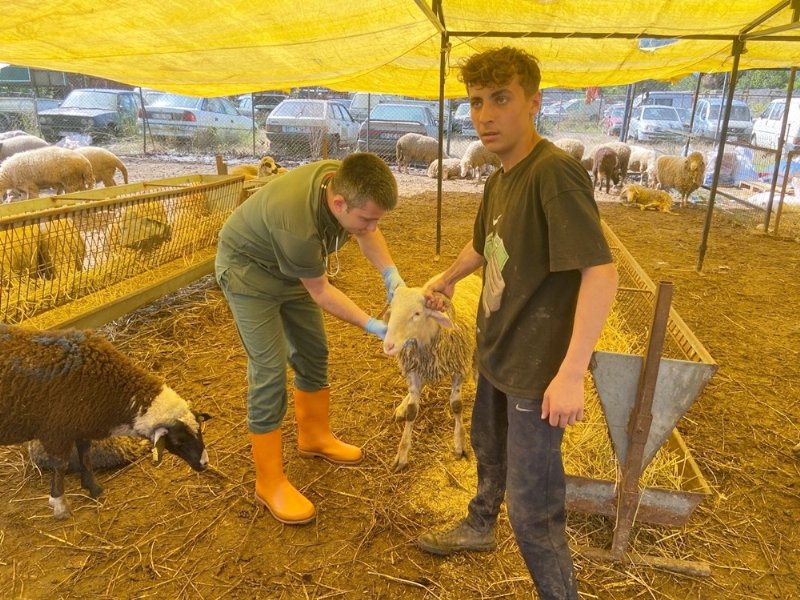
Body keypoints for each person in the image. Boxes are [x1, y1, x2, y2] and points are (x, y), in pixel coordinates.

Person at [416, 47, 619, 599]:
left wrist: (572, 371)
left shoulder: (554, 175)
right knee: (488, 447)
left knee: (534, 513)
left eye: (500, 99)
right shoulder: (499, 176)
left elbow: (601, 274)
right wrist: (448, 278)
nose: (485, 115)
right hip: (500, 350)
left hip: (538, 370)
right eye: (477, 102)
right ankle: (481, 525)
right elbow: (487, 243)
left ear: (534, 102)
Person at [215, 153, 405, 525]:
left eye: (376, 217)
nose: (371, 225)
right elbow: (321, 292)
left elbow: (366, 231)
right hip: (248, 273)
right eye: (367, 217)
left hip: (290, 272)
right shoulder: (297, 227)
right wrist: (372, 325)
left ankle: (314, 436)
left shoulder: (341, 181)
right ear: (338, 204)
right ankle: (268, 482)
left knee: (314, 351)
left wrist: (391, 275)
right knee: (269, 370)